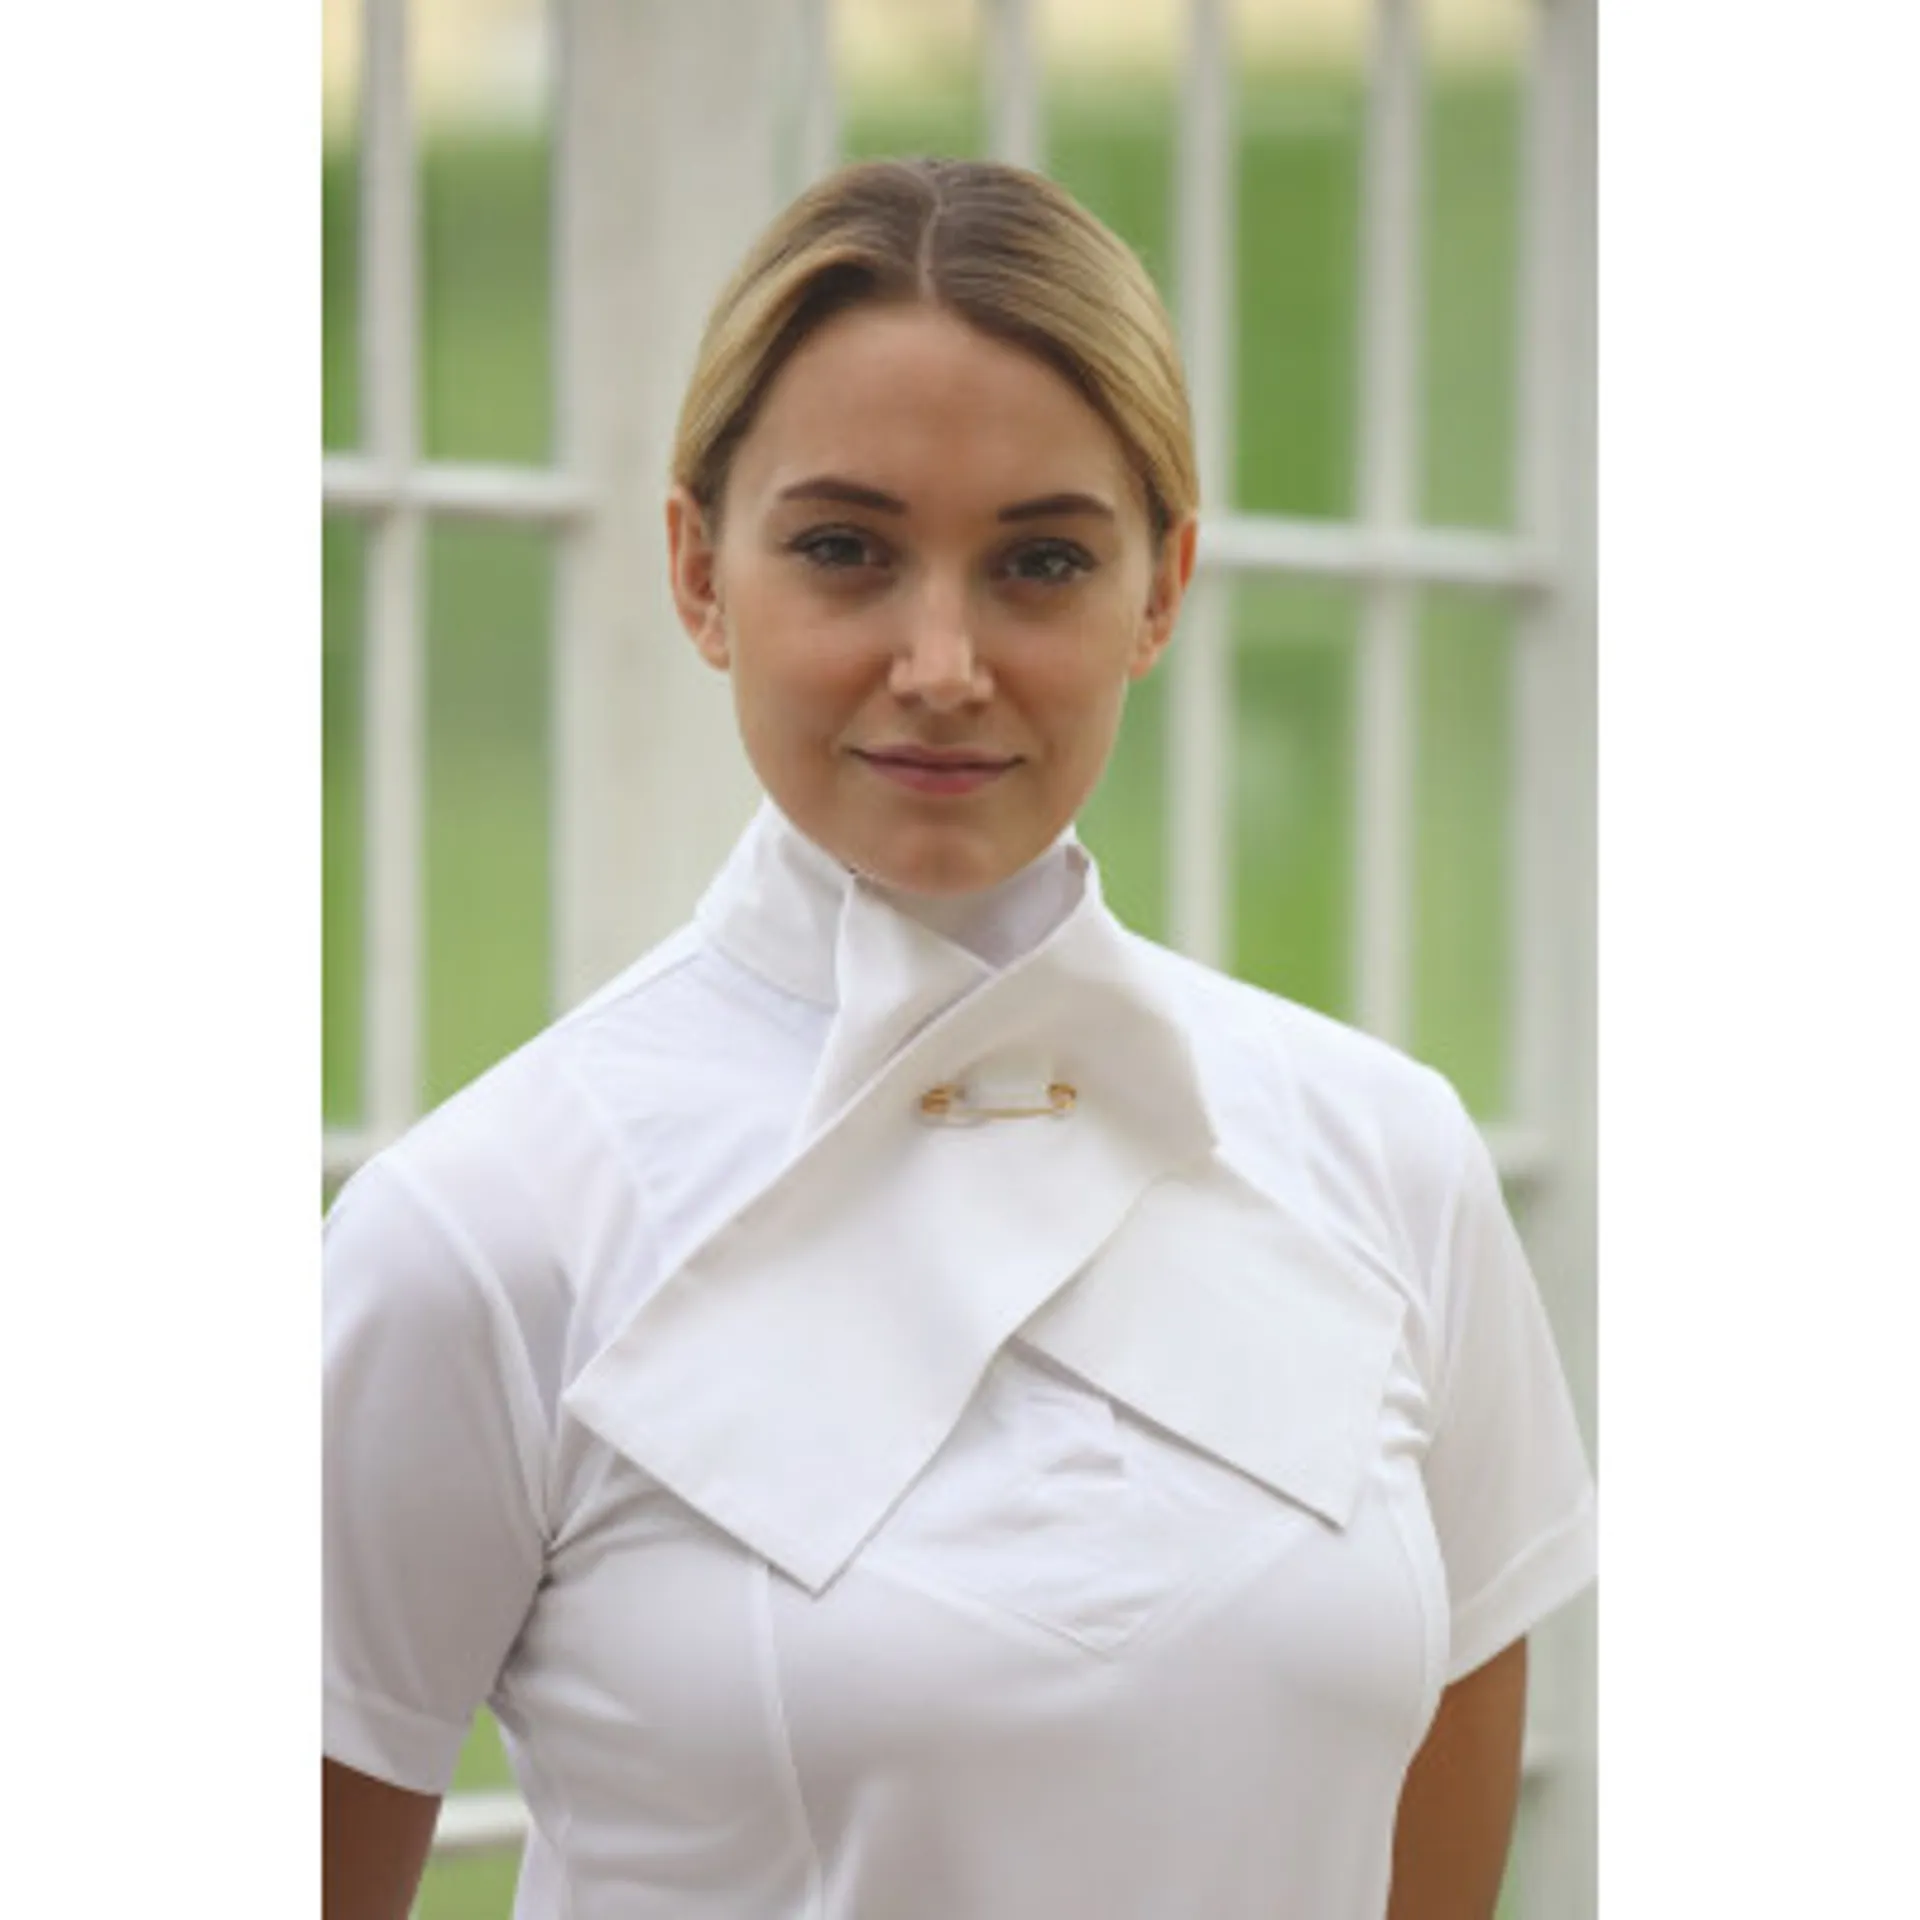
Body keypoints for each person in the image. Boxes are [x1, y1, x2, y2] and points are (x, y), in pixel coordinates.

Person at [323, 156, 1596, 1920]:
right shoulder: (481, 1234)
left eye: (1042, 561)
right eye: (845, 549)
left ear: (1163, 590)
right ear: (698, 570)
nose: (941, 662)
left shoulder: (1385, 1157)